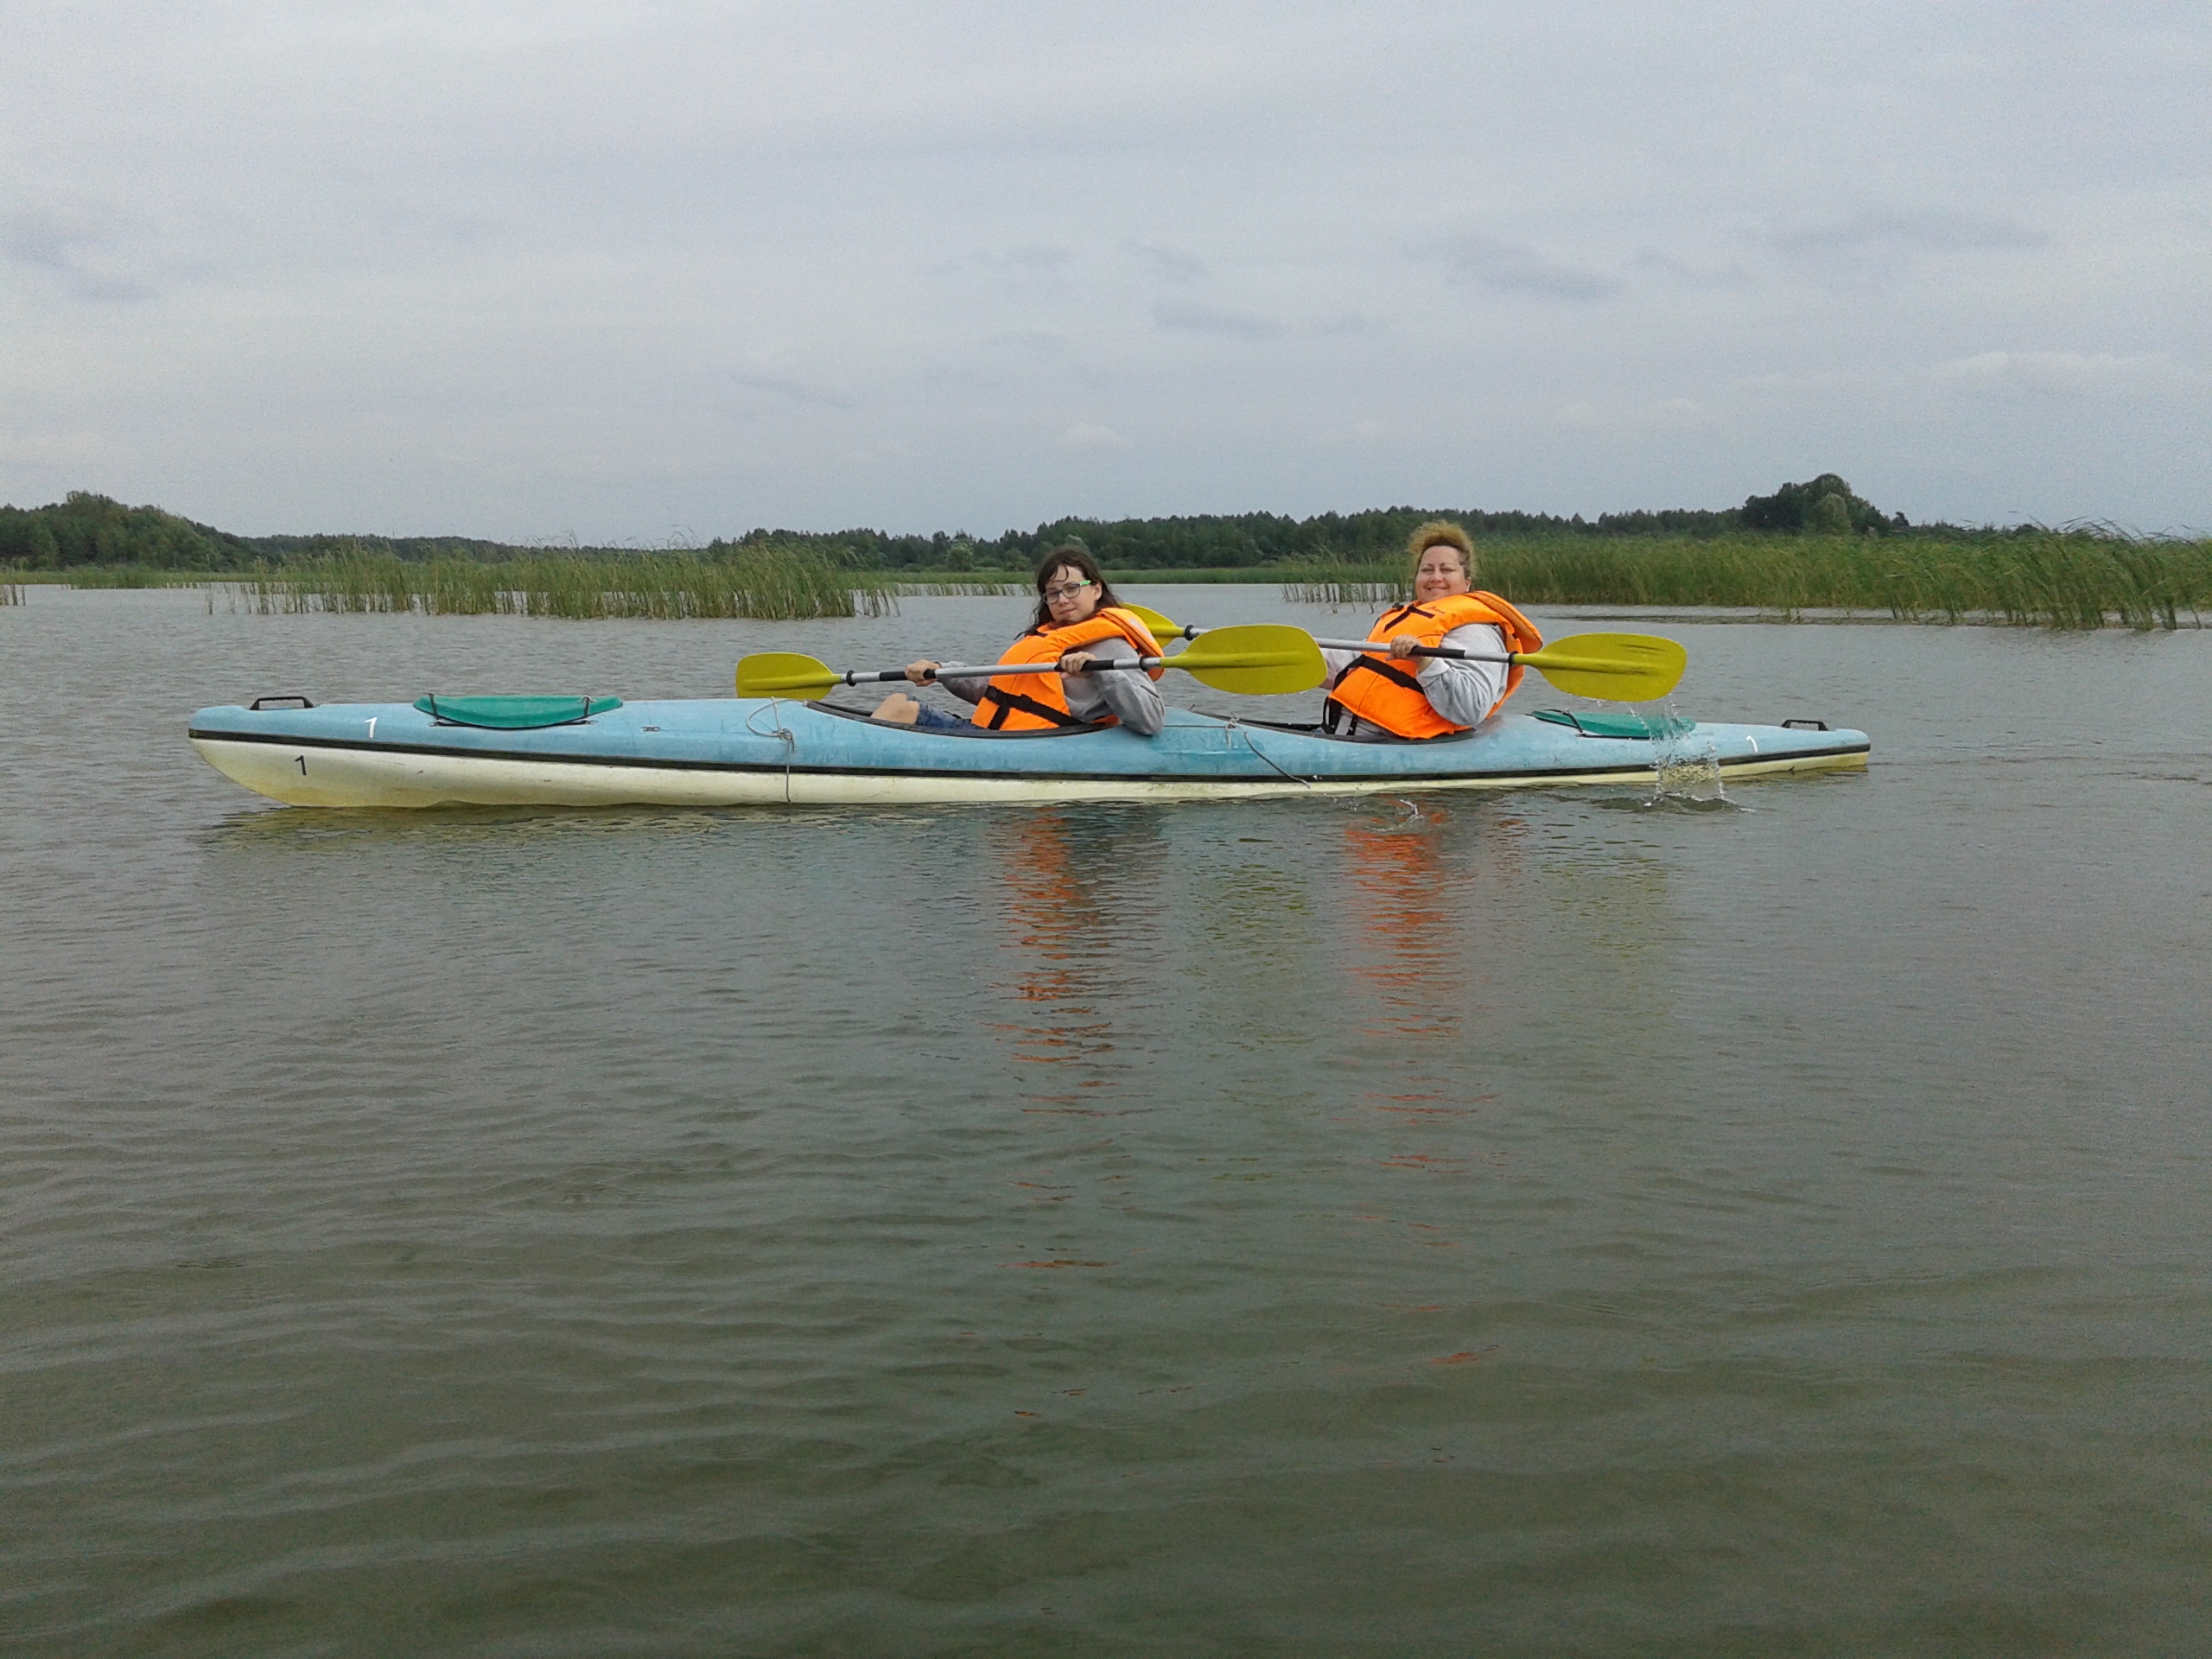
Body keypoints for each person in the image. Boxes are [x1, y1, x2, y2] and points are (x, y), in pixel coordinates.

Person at [873, 547, 1167, 735]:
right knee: (899, 701)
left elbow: (1151, 720)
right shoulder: (1045, 638)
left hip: (1037, 744)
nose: (1062, 600)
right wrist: (940, 671)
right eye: (1053, 593)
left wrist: (1101, 671)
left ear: (1096, 590)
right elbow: (999, 693)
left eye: (1072, 589)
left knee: (904, 712)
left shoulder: (1112, 647)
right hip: (995, 735)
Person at [1321, 522, 1544, 741]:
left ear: (1467, 583)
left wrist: (1426, 661)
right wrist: (1306, 655)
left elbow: (1472, 709)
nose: (1435, 577)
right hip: (1346, 734)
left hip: (1400, 744)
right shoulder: (1404, 619)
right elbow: (1356, 661)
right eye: (1427, 570)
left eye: (1446, 570)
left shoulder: (1477, 632)